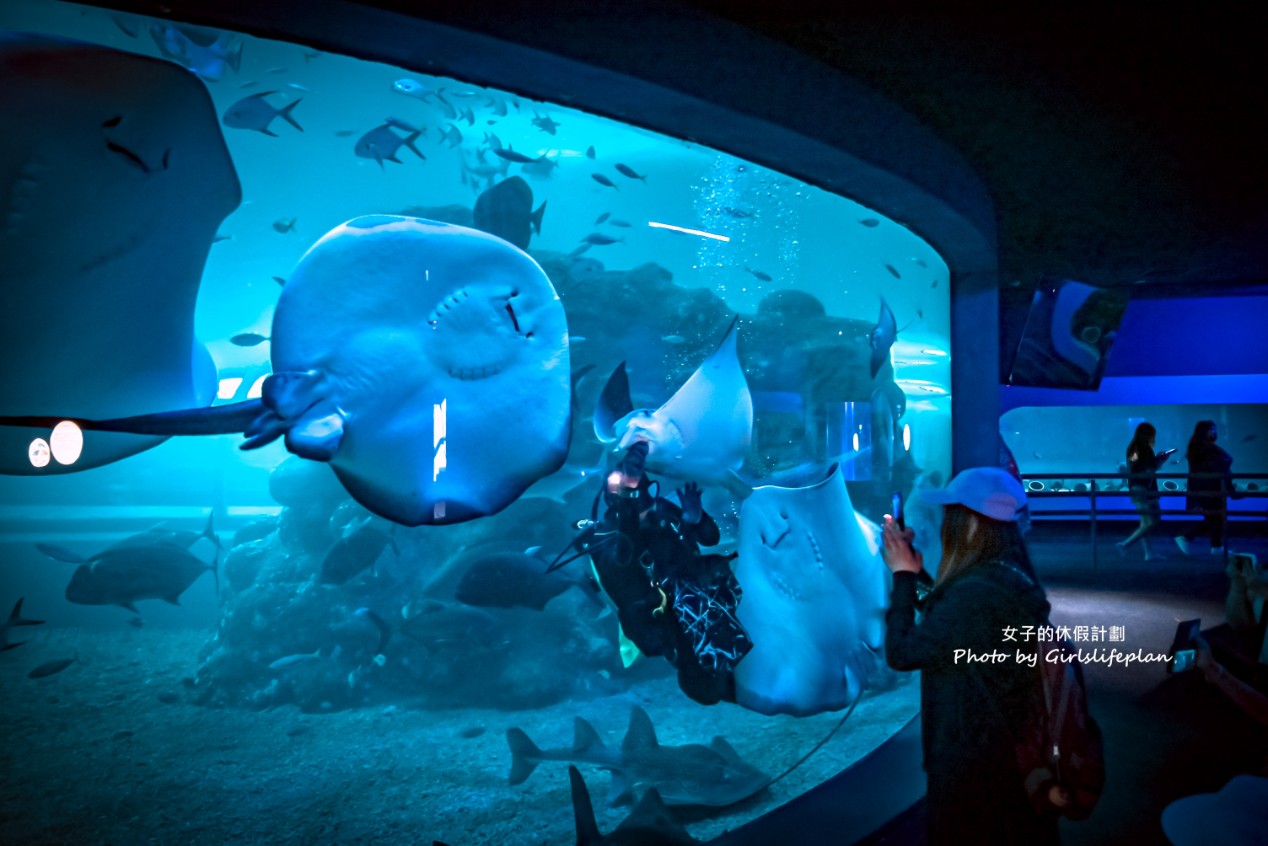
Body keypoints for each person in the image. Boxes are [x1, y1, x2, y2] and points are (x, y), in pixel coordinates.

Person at [881, 466, 1060, 845]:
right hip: (1005, 745)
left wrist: (900, 577)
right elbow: (952, 629)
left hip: (972, 758)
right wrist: (915, 572)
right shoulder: (1008, 575)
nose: (946, 522)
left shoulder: (975, 592)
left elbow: (903, 652)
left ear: (974, 525)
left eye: (952, 514)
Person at [586, 441, 750, 705]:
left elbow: (710, 538)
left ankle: (736, 676)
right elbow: (623, 560)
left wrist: (695, 521)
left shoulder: (660, 509)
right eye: (630, 492)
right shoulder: (607, 535)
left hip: (698, 594)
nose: (646, 508)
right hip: (659, 615)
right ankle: (714, 679)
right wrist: (629, 499)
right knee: (706, 682)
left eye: (643, 493)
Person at [1116, 421, 1175, 560]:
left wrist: (1156, 461)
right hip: (1146, 488)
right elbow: (1150, 469)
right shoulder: (1146, 449)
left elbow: (1135, 465)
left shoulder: (1132, 448)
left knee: (1144, 522)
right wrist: (1161, 460)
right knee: (1152, 521)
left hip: (1135, 487)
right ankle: (1125, 544)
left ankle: (1149, 553)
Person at [1175, 420, 1234, 556]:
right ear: (1203, 431)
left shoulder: (1199, 446)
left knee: (1214, 517)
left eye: (1214, 429)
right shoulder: (1203, 447)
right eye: (1211, 429)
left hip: (1209, 487)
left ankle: (1215, 546)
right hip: (1207, 488)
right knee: (1214, 517)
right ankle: (1187, 537)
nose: (1214, 432)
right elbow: (1224, 460)